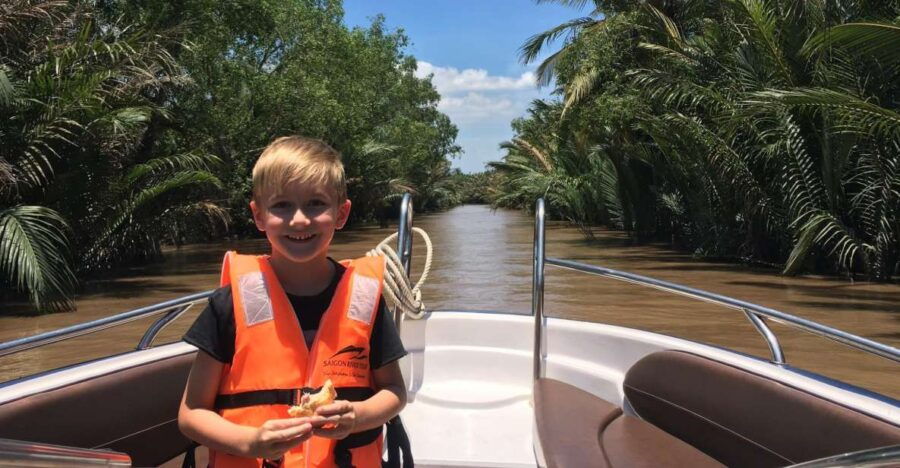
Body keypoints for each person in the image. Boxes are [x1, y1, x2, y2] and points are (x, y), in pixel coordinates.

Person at [178, 136, 408, 468]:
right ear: (258, 216)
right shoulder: (228, 305)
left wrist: (357, 416)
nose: (299, 220)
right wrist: (249, 442)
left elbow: (394, 391)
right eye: (282, 205)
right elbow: (191, 413)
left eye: (316, 203)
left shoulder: (364, 301)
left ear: (341, 213)